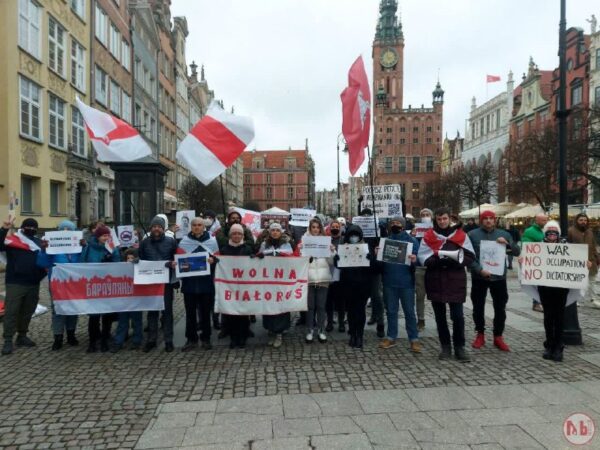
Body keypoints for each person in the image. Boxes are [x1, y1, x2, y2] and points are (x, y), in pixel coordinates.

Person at [418, 207, 475, 361]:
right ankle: (445, 347)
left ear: (450, 219)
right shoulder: (429, 236)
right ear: (435, 220)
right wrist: (438, 262)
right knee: (440, 317)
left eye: (444, 218)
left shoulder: (461, 235)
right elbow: (423, 257)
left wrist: (454, 262)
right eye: (439, 219)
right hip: (436, 280)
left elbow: (470, 256)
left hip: (455, 280)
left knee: (457, 316)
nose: (442, 222)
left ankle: (459, 347)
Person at [468, 210, 520, 352]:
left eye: (491, 218)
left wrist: (508, 243)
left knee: (500, 307)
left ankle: (498, 336)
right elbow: (468, 257)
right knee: (478, 307)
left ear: (495, 220)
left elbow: (517, 251)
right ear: (481, 220)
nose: (489, 221)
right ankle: (480, 334)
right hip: (480, 277)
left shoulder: (504, 234)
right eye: (485, 218)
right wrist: (479, 270)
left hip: (499, 277)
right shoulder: (472, 235)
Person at [1, 217, 47, 355]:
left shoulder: (39, 243)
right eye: (29, 227)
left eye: (34, 228)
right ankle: (8, 339)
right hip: (15, 282)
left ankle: (22, 335)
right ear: (22, 227)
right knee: (11, 311)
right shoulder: (12, 241)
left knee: (28, 310)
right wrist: (4, 229)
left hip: (33, 282)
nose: (31, 229)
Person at [36, 220, 82, 351]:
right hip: (57, 283)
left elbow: (85, 262)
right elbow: (42, 263)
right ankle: (58, 337)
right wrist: (43, 250)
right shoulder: (53, 248)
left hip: (74, 283)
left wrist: (84, 247)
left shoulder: (77, 248)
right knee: (57, 309)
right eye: (63, 230)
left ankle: (71, 334)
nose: (66, 233)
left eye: (69, 230)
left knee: (73, 308)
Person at [378, 216, 421, 353]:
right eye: (393, 223)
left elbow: (418, 261)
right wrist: (377, 255)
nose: (395, 225)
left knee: (409, 312)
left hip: (406, 282)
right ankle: (391, 336)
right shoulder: (385, 241)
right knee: (391, 311)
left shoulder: (412, 241)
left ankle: (414, 339)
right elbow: (380, 264)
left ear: (403, 226)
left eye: (398, 223)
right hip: (389, 281)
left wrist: (414, 260)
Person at [139, 215, 178, 352]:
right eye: (154, 227)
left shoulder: (171, 241)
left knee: (167, 312)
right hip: (151, 282)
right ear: (151, 229)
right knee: (152, 312)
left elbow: (176, 259)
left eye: (159, 227)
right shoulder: (144, 243)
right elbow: (142, 259)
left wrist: (173, 268)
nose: (156, 229)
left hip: (166, 282)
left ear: (163, 229)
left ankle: (168, 340)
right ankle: (151, 339)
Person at [180, 218, 218, 351]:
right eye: (194, 225)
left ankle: (206, 338)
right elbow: (179, 259)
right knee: (190, 314)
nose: (197, 227)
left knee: (205, 312)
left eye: (199, 225)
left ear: (204, 227)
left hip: (205, 283)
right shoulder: (184, 242)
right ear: (191, 227)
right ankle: (191, 339)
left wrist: (213, 260)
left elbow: (219, 258)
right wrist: (175, 264)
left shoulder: (212, 241)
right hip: (189, 284)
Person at [80, 224, 121, 352]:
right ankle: (92, 342)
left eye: (108, 235)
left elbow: (118, 264)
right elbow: (82, 263)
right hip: (93, 285)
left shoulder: (112, 248)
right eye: (103, 235)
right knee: (94, 316)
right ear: (97, 236)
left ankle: (104, 341)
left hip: (107, 285)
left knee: (107, 316)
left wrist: (110, 261)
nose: (106, 237)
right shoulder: (88, 248)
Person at [215, 223, 255, 348]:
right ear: (230, 235)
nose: (237, 236)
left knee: (243, 313)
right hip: (230, 286)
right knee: (231, 313)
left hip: (244, 286)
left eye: (239, 233)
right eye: (234, 233)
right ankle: (233, 338)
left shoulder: (248, 249)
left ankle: (243, 337)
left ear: (242, 235)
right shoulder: (224, 250)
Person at [296, 218, 335, 343]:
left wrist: (332, 251)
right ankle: (310, 330)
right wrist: (300, 250)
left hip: (323, 278)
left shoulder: (325, 241)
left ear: (321, 228)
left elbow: (331, 262)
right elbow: (299, 262)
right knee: (310, 307)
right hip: (309, 279)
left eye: (318, 227)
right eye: (313, 227)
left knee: (321, 306)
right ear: (310, 228)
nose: (316, 229)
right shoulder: (304, 241)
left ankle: (321, 330)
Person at [336, 224, 373, 348]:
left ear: (360, 236)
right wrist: (337, 258)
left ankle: (360, 335)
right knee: (351, 311)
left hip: (362, 285)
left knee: (360, 311)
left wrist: (370, 259)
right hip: (347, 284)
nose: (353, 237)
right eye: (351, 235)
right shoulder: (343, 247)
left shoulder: (366, 248)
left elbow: (374, 268)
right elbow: (338, 266)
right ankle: (352, 334)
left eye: (356, 235)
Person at [259, 222, 294, 348]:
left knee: (280, 305)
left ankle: (279, 332)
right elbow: (259, 259)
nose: (275, 232)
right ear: (269, 232)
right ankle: (270, 330)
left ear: (281, 232)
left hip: (281, 280)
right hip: (268, 280)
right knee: (269, 304)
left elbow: (291, 260)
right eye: (272, 230)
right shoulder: (264, 244)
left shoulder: (286, 244)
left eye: (277, 230)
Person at [110, 248, 144, 352]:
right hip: (124, 300)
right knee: (122, 322)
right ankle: (118, 342)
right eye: (128, 258)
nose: (129, 260)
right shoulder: (120, 269)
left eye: (132, 258)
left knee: (137, 321)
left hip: (136, 300)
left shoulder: (139, 269)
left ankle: (136, 341)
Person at [361, 208, 386, 339]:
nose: (366, 218)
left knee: (377, 296)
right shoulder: (359, 230)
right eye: (363, 216)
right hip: (362, 268)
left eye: (368, 216)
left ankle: (380, 323)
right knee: (363, 296)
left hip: (375, 267)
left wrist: (380, 231)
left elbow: (383, 241)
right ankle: (369, 318)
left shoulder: (378, 230)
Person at [567, 213, 600, 308]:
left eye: (585, 220)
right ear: (577, 221)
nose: (583, 222)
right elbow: (568, 247)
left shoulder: (590, 231)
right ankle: (574, 299)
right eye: (581, 220)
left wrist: (597, 258)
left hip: (591, 261)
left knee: (592, 281)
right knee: (576, 282)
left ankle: (593, 299)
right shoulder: (570, 231)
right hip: (577, 262)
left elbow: (593, 245)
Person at [411, 208, 433, 331]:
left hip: (433, 267)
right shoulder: (417, 231)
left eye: (427, 215)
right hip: (420, 266)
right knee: (420, 295)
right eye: (423, 215)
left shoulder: (435, 230)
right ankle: (421, 319)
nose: (425, 216)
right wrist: (413, 236)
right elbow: (414, 248)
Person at [522, 212, 548, 312]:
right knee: (537, 283)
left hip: (546, 261)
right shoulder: (530, 231)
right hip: (536, 260)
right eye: (543, 220)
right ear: (536, 220)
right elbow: (526, 246)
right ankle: (536, 303)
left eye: (546, 220)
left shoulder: (547, 230)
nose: (545, 222)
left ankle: (544, 302)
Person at [327, 219, 345, 332]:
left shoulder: (344, 240)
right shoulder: (326, 240)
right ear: (329, 228)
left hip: (340, 274)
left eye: (337, 226)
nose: (335, 228)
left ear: (340, 228)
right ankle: (329, 322)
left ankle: (341, 322)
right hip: (328, 272)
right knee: (329, 300)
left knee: (341, 300)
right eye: (333, 226)